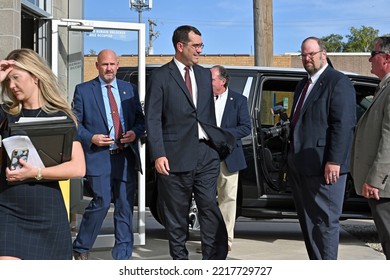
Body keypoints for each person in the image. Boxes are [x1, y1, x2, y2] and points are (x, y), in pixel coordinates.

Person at [145, 25, 234, 260]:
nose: (199, 51)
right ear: (180, 46)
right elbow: (152, 118)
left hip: (205, 154)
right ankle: (181, 263)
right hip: (173, 157)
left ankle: (214, 260)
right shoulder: (161, 76)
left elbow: (207, 115)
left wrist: (216, 144)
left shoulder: (205, 75)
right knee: (177, 216)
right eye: (196, 46)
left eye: (201, 45)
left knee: (209, 208)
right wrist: (158, 154)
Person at [0, 48, 86, 260]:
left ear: (35, 76)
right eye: (7, 81)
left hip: (48, 212)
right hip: (8, 210)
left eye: (16, 78)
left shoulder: (60, 116)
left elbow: (78, 167)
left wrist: (35, 172)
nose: (11, 86)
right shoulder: (4, 114)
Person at [72, 49, 145, 260]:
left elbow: (140, 121)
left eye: (112, 64)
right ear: (97, 65)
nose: (109, 68)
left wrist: (134, 132)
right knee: (102, 201)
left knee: (124, 204)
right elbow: (75, 124)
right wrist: (91, 138)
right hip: (99, 156)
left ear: (118, 65)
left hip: (124, 156)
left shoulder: (129, 89)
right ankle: (81, 247)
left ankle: (122, 254)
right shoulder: (84, 90)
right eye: (104, 64)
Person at [287, 37, 356, 260]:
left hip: (325, 167)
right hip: (301, 166)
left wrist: (334, 161)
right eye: (303, 55)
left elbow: (343, 124)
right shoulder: (303, 84)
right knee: (308, 224)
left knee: (325, 223)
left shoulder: (338, 81)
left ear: (323, 54)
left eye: (311, 54)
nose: (307, 59)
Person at [350, 36, 390, 260]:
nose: (368, 59)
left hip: (385, 187)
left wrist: (376, 179)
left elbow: (389, 138)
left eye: (373, 55)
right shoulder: (383, 87)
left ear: (387, 58)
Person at [210, 65, 251, 251]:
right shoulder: (202, 99)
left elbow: (245, 128)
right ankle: (209, 240)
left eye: (211, 79)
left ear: (222, 81)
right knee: (206, 199)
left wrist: (221, 134)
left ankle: (225, 241)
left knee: (228, 199)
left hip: (229, 157)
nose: (207, 83)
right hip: (206, 157)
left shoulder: (239, 100)